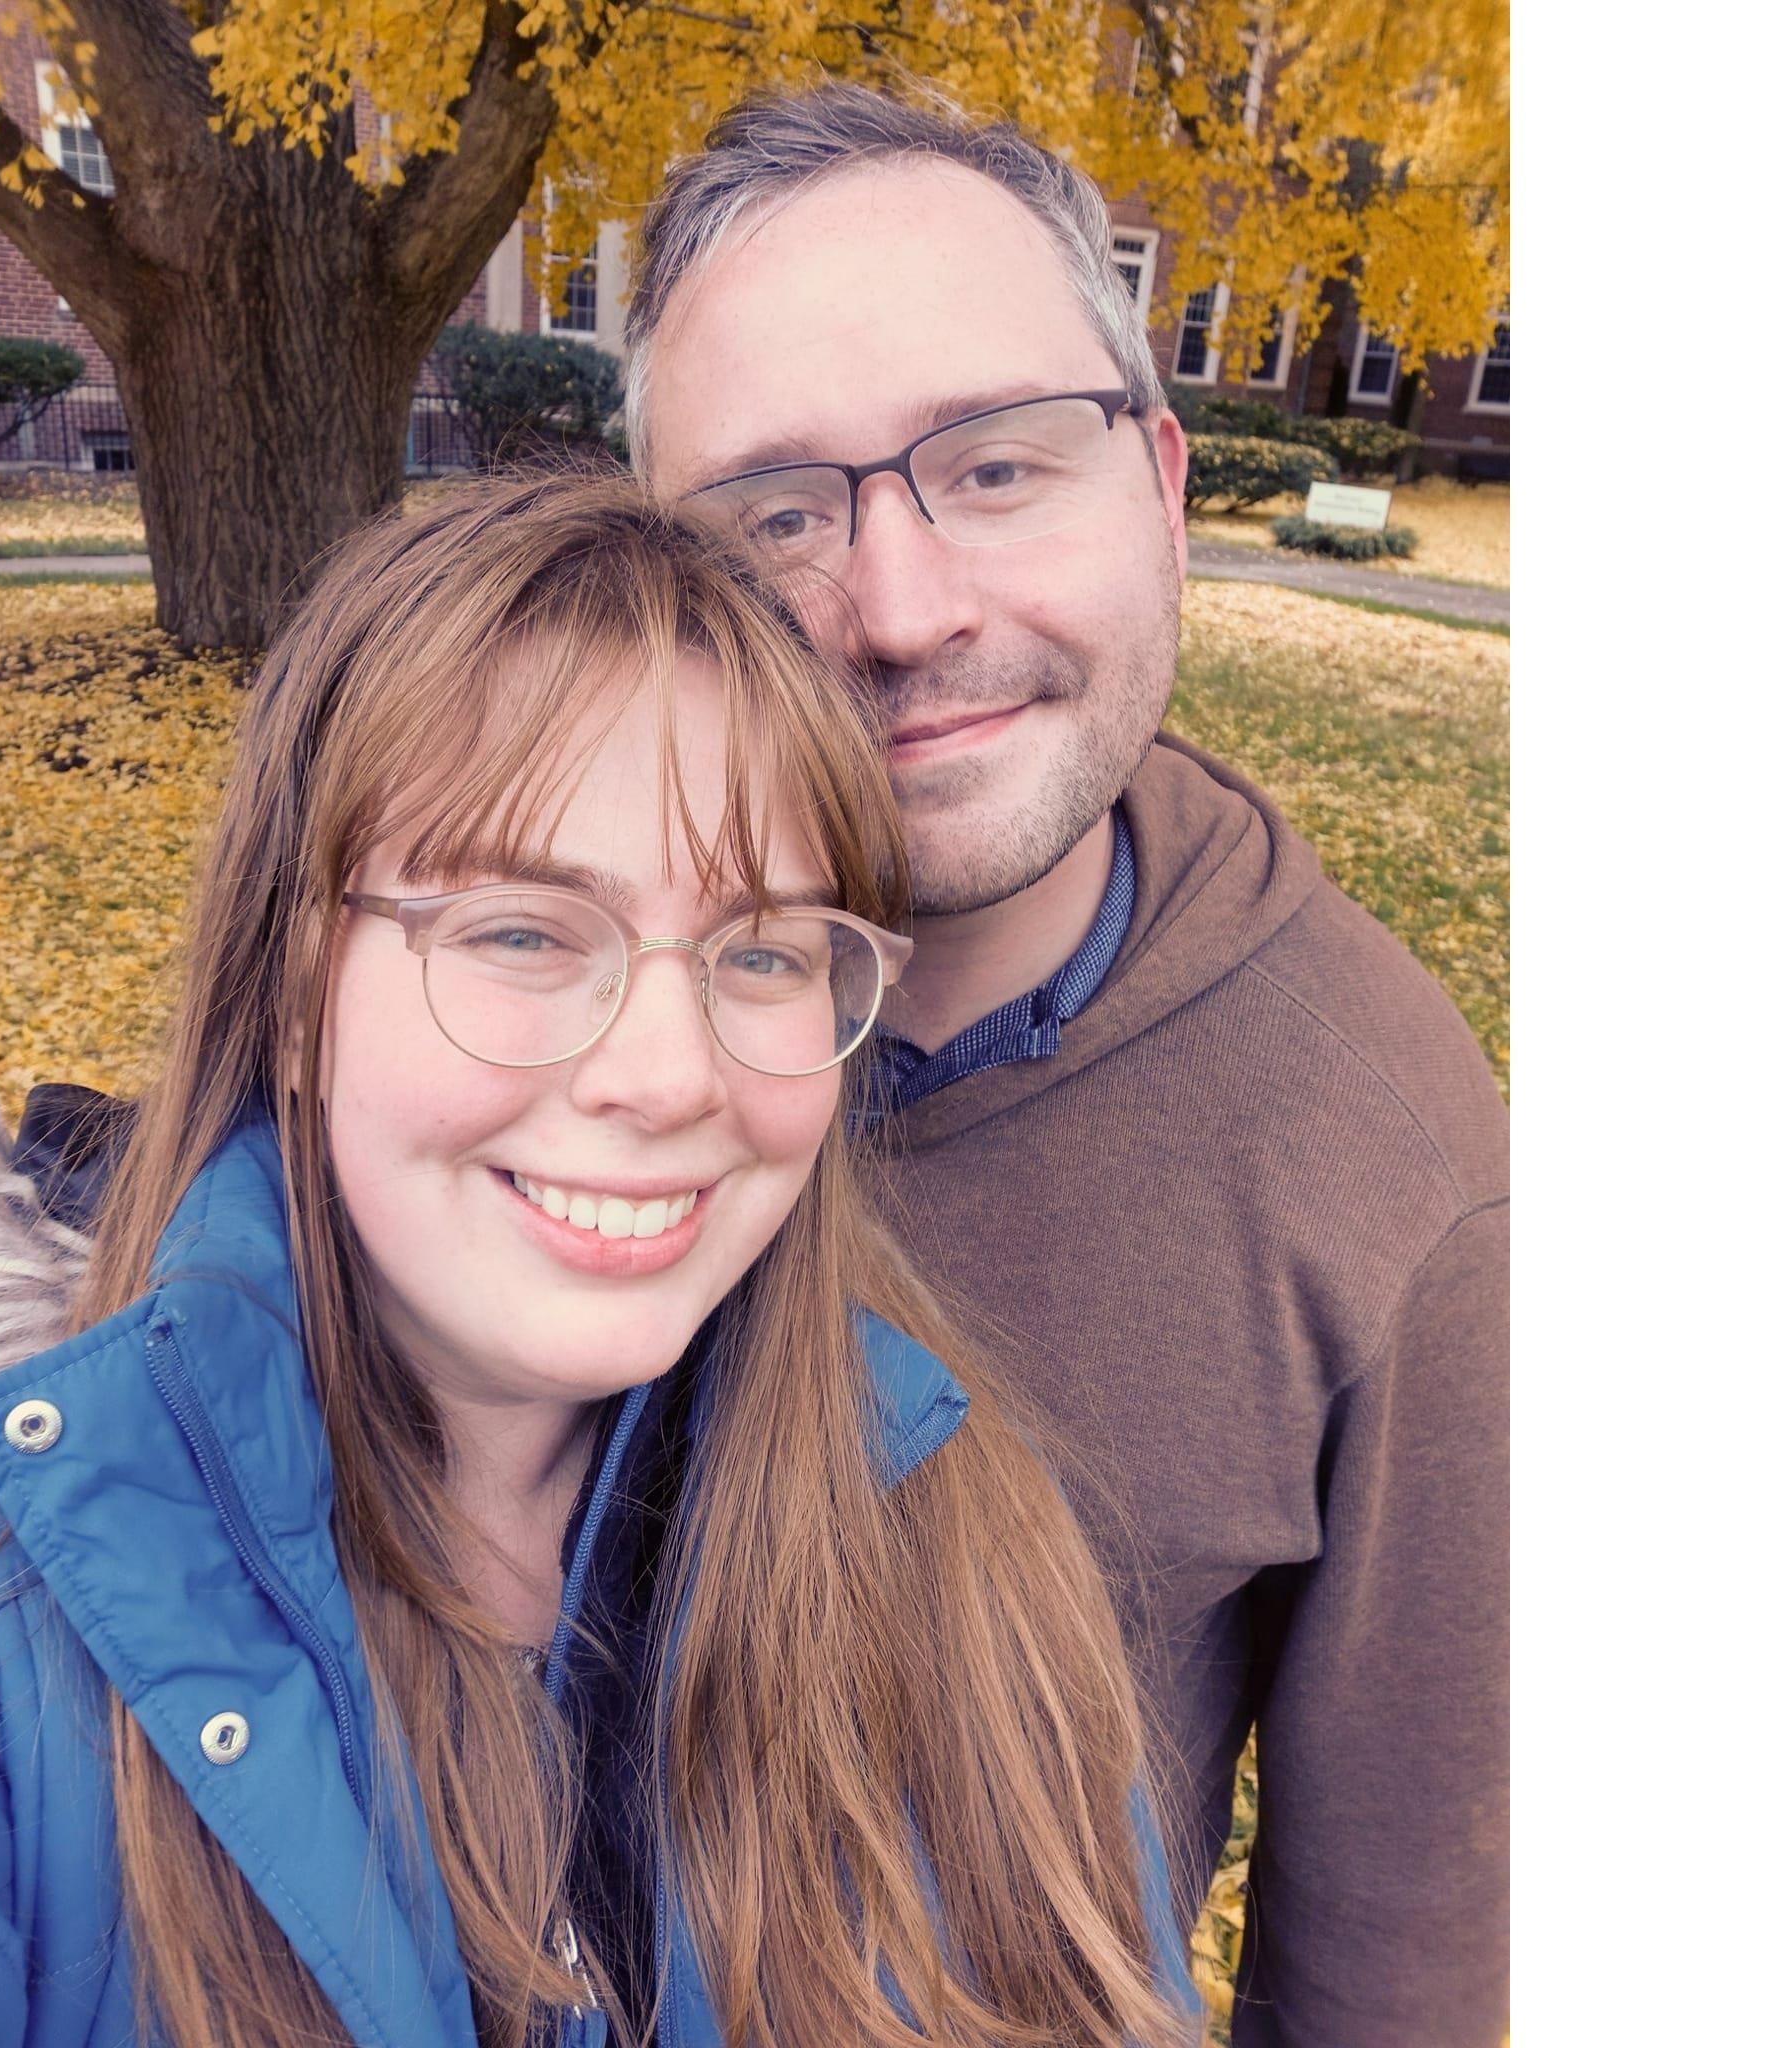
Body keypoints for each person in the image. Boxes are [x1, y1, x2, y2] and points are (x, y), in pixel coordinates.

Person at [0, 473, 1201, 2048]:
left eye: (764, 951)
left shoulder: (962, 1555)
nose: (669, 1075)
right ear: (292, 989)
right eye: (526, 932)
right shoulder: (1, 1645)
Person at [624, 85, 1509, 2048]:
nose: (903, 608)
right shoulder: (481, 1019)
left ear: (1163, 488)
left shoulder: (1388, 1163)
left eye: (999, 467)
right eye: (772, 512)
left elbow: (1391, 1987)